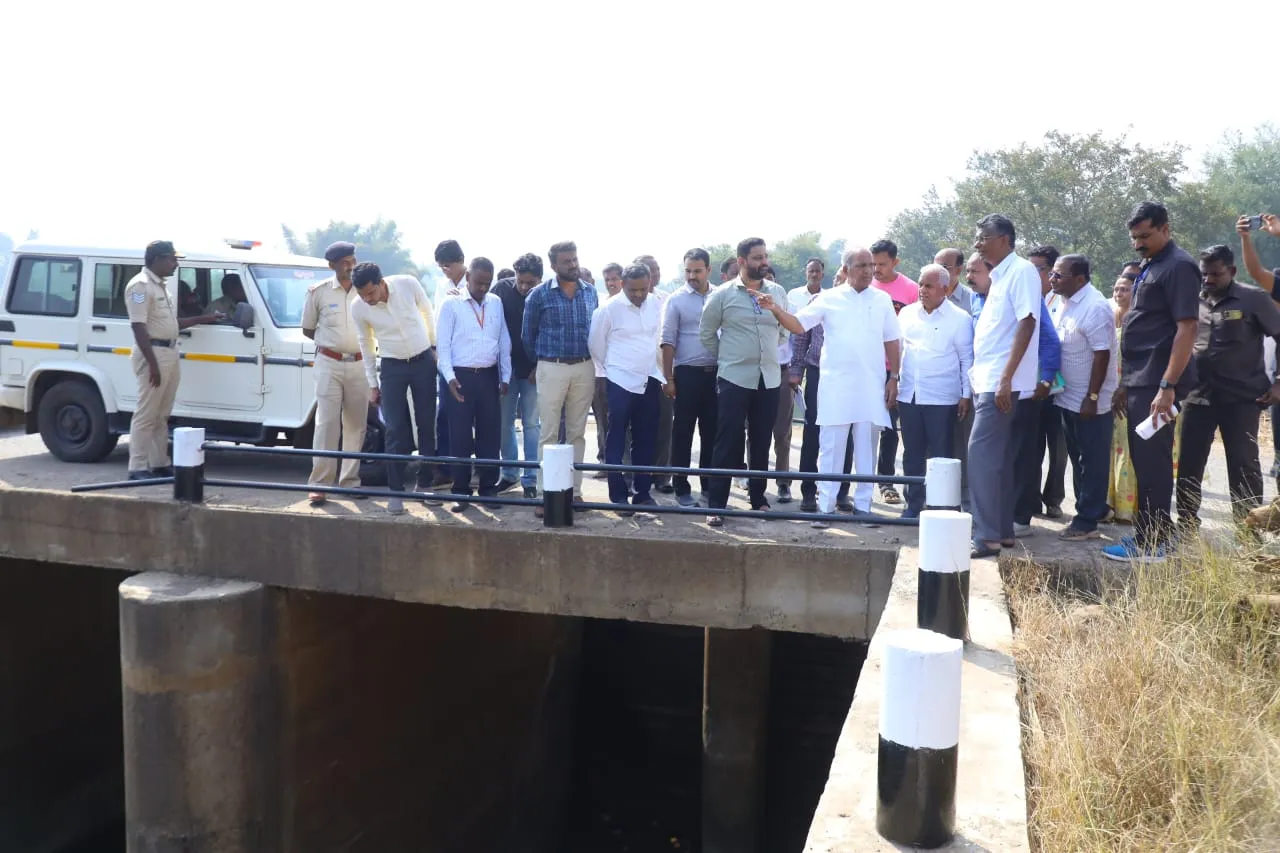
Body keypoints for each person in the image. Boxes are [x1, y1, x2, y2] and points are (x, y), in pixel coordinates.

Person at [762, 247, 901, 529]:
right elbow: (799, 325)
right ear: (846, 270)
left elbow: (891, 339)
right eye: (861, 265)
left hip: (871, 386)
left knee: (866, 450)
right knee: (831, 449)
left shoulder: (882, 299)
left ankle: (863, 508)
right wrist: (775, 309)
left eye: (870, 265)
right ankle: (825, 509)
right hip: (836, 387)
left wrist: (894, 377)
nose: (868, 270)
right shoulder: (828, 298)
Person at [1103, 201, 1200, 563]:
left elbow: (1187, 328)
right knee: (1143, 461)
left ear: (1165, 229)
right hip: (1142, 380)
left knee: (1154, 462)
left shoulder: (1179, 266)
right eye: (1134, 237)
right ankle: (1148, 533)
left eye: (1145, 236)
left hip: (1159, 382)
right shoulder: (1150, 264)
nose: (1138, 244)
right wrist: (1127, 384)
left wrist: (1167, 385)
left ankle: (1155, 542)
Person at [1175, 245, 1280, 528]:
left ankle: (1247, 531)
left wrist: (1279, 382)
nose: (1208, 279)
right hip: (1198, 396)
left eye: (1215, 274)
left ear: (1232, 271)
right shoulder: (1192, 301)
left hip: (1241, 398)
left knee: (1244, 465)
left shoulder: (1253, 299)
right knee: (1189, 463)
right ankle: (1186, 524)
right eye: (1204, 274)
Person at [698, 237, 789, 527]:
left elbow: (784, 331)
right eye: (757, 258)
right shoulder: (722, 295)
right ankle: (717, 505)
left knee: (761, 441)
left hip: (769, 378)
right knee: (727, 441)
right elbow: (706, 334)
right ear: (741, 261)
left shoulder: (777, 292)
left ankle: (759, 499)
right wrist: (729, 358)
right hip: (734, 378)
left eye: (765, 257)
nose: (764, 262)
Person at [968, 215, 1042, 558]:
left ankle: (986, 536)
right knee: (995, 458)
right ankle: (1002, 532)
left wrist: (1005, 378)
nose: (978, 243)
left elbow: (1028, 322)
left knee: (981, 457)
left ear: (1004, 239)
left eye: (983, 237)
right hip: (990, 379)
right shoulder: (999, 276)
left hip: (1000, 381)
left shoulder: (1021, 271)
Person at [125, 241, 223, 480]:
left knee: (162, 414)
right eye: (171, 259)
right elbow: (138, 327)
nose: (175, 264)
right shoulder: (140, 286)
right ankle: (137, 467)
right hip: (153, 352)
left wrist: (205, 318)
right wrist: (152, 364)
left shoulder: (162, 287)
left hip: (169, 350)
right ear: (157, 259)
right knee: (146, 413)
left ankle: (159, 463)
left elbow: (171, 323)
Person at [351, 263, 439, 515]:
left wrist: (434, 346)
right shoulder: (358, 307)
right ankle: (396, 491)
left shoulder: (407, 284)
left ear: (381, 283)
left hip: (423, 360)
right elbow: (366, 344)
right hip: (391, 366)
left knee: (426, 424)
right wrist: (372, 383)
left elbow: (427, 312)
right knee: (394, 429)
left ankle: (425, 485)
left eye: (371, 293)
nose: (367, 299)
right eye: (362, 294)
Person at [522, 240, 599, 516]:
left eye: (575, 259)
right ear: (554, 266)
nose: (573, 265)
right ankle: (547, 494)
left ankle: (575, 492)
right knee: (549, 433)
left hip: (584, 366)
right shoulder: (539, 295)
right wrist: (540, 362)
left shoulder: (590, 292)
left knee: (577, 432)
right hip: (551, 366)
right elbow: (527, 336)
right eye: (567, 261)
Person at [895, 263, 973, 519]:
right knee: (912, 454)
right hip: (909, 395)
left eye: (929, 286)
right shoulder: (907, 314)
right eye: (921, 284)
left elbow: (966, 359)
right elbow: (898, 350)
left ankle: (942, 507)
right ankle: (913, 505)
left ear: (946, 289)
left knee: (941, 455)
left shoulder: (960, 319)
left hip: (942, 398)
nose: (923, 290)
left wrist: (965, 395)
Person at [1049, 254, 1118, 541]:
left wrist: (1092, 396)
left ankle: (1087, 522)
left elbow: (1102, 356)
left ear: (1079, 279)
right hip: (1067, 396)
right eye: (1052, 274)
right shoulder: (1063, 302)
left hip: (1090, 401)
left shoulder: (1095, 307)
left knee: (1093, 461)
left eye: (1058, 275)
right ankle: (1093, 509)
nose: (1052, 279)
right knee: (1078, 459)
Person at [590, 264, 667, 514]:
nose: (638, 295)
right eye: (633, 290)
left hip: (649, 378)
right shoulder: (608, 309)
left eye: (643, 289)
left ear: (649, 284)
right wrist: (609, 372)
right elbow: (596, 346)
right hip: (619, 381)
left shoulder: (656, 303)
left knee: (646, 438)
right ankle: (619, 496)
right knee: (616, 438)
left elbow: (657, 339)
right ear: (623, 285)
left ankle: (642, 493)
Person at [437, 257, 512, 511]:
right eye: (479, 282)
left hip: (489, 376)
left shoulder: (496, 302)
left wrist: (505, 376)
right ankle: (460, 491)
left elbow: (503, 340)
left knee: (490, 437)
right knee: (459, 438)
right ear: (467, 277)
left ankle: (488, 489)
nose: (483, 288)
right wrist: (449, 377)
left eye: (487, 283)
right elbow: (443, 346)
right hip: (460, 377)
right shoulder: (450, 304)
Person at [301, 241, 367, 505]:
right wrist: (333, 344)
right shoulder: (318, 292)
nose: (350, 266)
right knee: (327, 423)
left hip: (360, 362)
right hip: (329, 362)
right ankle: (319, 483)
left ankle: (350, 482)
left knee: (356, 424)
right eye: (345, 262)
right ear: (332, 265)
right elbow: (308, 329)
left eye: (353, 261)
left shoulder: (365, 289)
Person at [790, 261, 854, 514]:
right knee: (812, 432)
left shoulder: (858, 306)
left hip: (848, 377)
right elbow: (800, 337)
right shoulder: (819, 301)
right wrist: (796, 371)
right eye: (838, 278)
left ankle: (841, 492)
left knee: (846, 434)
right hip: (818, 373)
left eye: (844, 279)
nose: (840, 282)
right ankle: (808, 491)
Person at [661, 248, 719, 507]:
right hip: (686, 375)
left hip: (716, 374)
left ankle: (709, 486)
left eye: (697, 271)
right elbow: (667, 341)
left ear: (708, 270)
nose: (692, 276)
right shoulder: (676, 300)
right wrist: (669, 378)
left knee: (712, 433)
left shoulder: (721, 296)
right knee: (683, 433)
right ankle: (681, 487)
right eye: (688, 271)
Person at [869, 239, 918, 506]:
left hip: (898, 370)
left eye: (882, 264)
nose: (876, 269)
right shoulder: (866, 286)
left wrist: (896, 376)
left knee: (891, 428)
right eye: (873, 264)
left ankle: (886, 481)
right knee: (863, 428)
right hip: (869, 369)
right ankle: (851, 483)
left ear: (895, 262)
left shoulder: (911, 290)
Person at [493, 253, 542, 499]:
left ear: (540, 279)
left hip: (533, 369)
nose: (523, 287)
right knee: (505, 421)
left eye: (529, 283)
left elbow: (549, 331)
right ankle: (509, 473)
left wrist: (540, 365)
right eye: (520, 281)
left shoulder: (545, 294)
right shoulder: (501, 290)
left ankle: (531, 477)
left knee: (532, 424)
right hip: (506, 367)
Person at [1028, 245, 1068, 520]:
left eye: (1038, 269)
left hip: (1058, 387)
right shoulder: (1027, 298)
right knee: (1031, 445)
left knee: (1058, 447)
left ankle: (1053, 498)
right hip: (1029, 385)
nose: (1032, 274)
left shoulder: (1063, 301)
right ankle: (1030, 499)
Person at [634, 254, 675, 493]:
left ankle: (662, 476)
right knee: (637, 426)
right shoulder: (625, 301)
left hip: (661, 372)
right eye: (651, 270)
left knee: (664, 425)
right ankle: (637, 476)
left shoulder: (667, 300)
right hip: (634, 374)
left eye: (657, 269)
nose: (656, 274)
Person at [432, 239, 467, 482]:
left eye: (448, 265)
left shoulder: (477, 281)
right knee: (444, 413)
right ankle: (445, 468)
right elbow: (436, 320)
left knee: (471, 416)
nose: (445, 270)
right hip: (446, 359)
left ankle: (473, 468)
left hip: (471, 360)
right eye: (441, 266)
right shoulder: (441, 286)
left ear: (460, 261)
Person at [1108, 273, 1137, 522]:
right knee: (1108, 448)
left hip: (1128, 392)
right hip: (1107, 392)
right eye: (1116, 289)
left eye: (1125, 289)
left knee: (1126, 449)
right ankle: (1107, 504)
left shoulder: (1139, 320)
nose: (1119, 294)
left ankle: (1126, 509)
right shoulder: (1109, 317)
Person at [592, 262, 626, 470]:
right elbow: (596, 342)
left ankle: (624, 464)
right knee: (602, 420)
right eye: (607, 280)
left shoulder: (630, 303)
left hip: (625, 373)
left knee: (622, 420)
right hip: (601, 372)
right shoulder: (600, 305)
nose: (611, 283)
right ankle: (605, 461)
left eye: (615, 279)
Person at [935, 247, 974, 315]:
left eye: (943, 267)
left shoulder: (972, 299)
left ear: (958, 270)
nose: (936, 271)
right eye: (934, 267)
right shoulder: (926, 295)